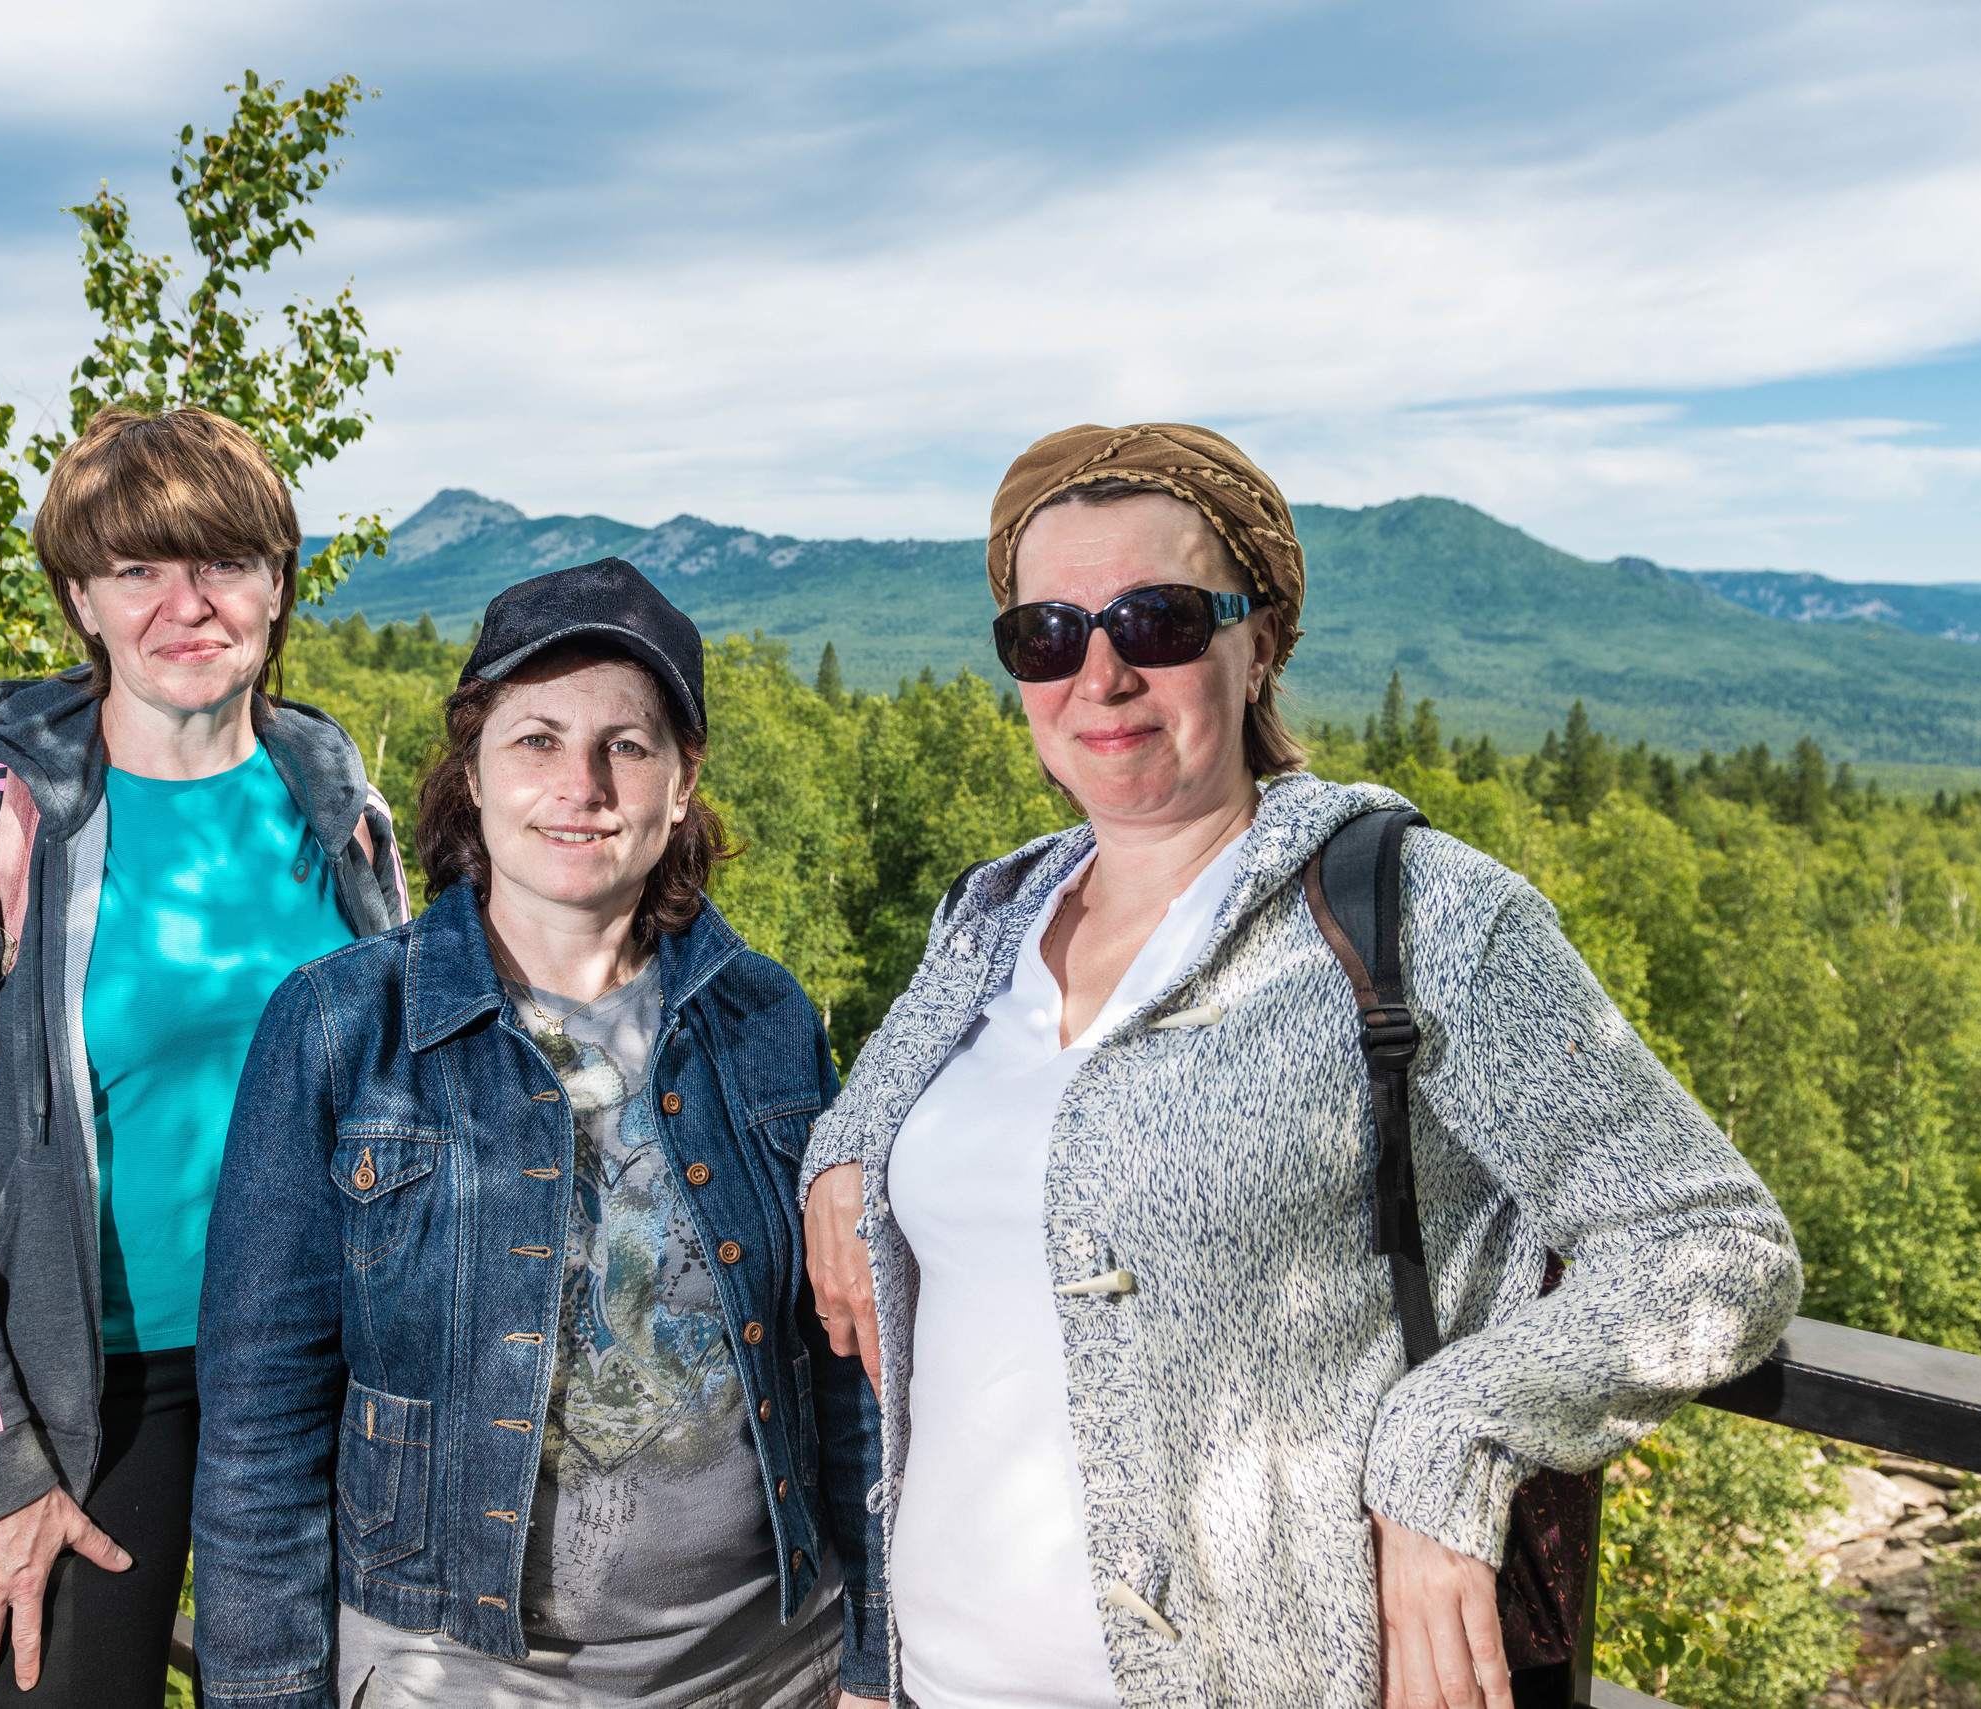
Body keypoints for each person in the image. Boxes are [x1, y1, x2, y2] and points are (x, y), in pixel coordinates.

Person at [799, 423, 1804, 1709]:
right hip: (936, 1678)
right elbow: (894, 1101)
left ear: (1258, 636)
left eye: (1154, 618)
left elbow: (1717, 1246)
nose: (1098, 673)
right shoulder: (986, 920)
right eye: (1046, 633)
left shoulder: (1421, 913)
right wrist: (848, 1149)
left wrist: (1451, 1438)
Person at [191, 558, 889, 1709]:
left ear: (681, 780)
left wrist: (873, 1658)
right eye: (536, 740)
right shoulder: (341, 1027)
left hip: (772, 1663)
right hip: (453, 1672)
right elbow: (260, 1428)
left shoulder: (763, 1018)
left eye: (627, 743)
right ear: (471, 770)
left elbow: (845, 1362)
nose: (583, 783)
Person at [0, 406, 410, 1708]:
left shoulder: (334, 794)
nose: (187, 603)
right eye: (137, 571)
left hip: (323, 1368)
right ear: (79, 600)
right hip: (97, 1395)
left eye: (224, 561)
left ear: (278, 582)